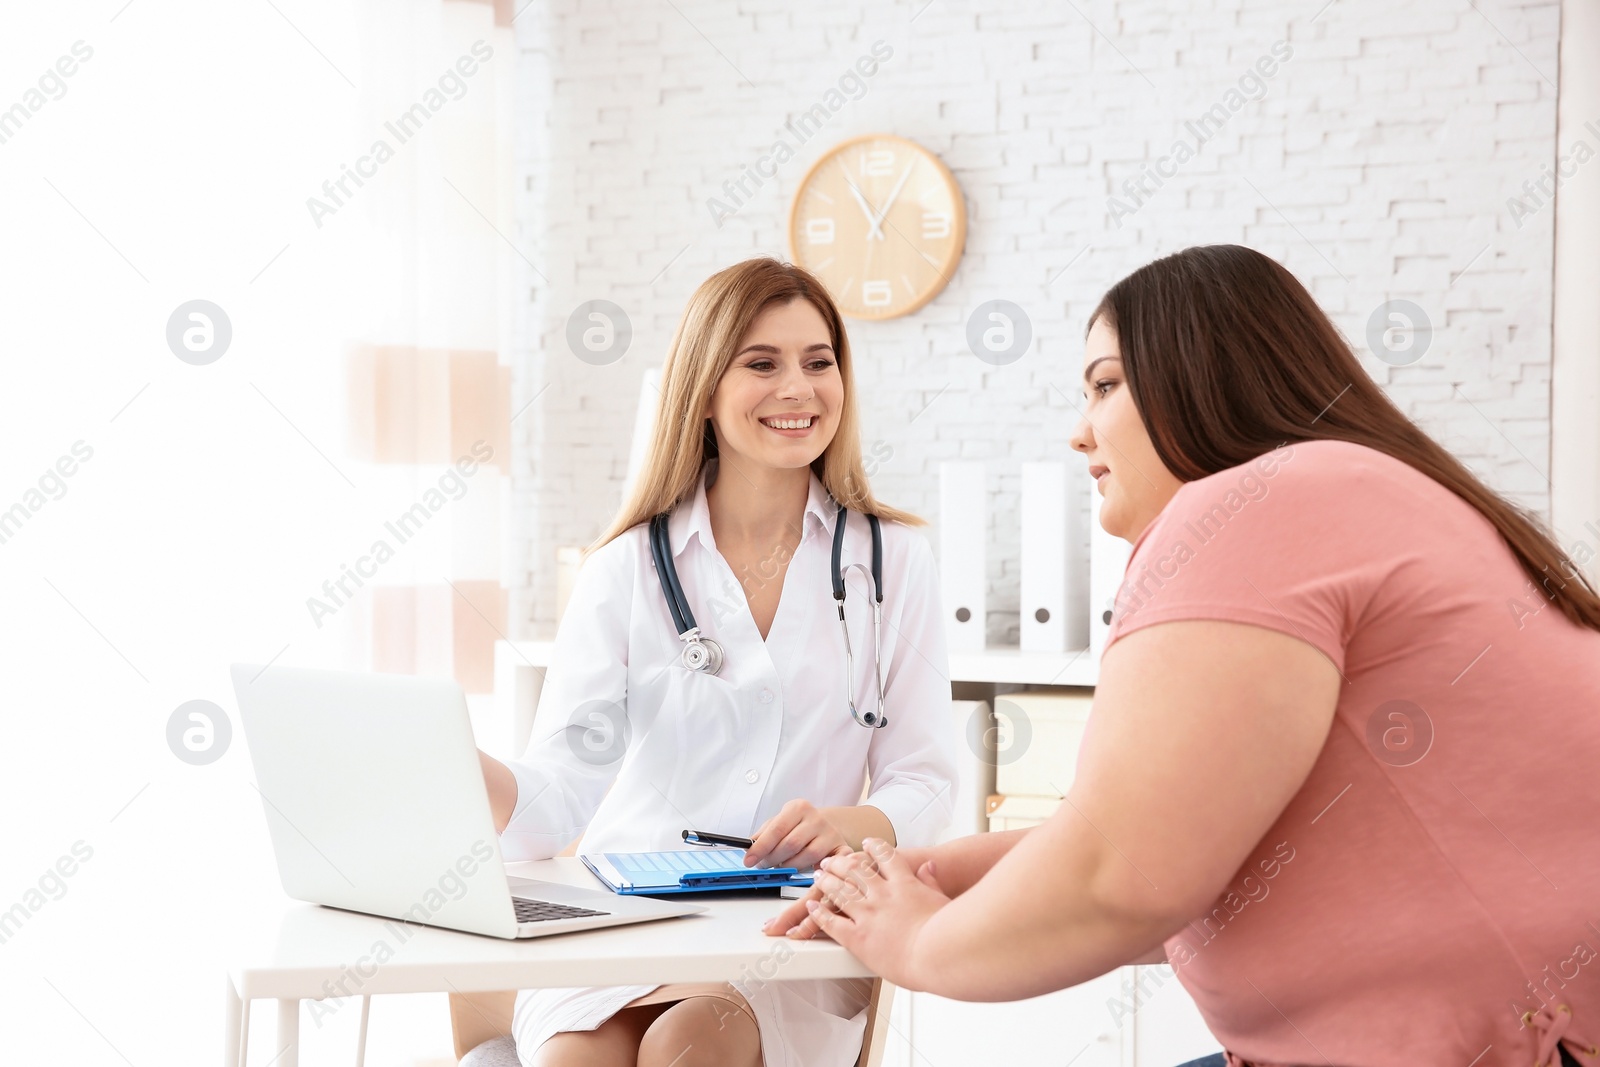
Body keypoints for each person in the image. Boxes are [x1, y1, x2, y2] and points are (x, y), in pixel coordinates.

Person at [767, 244, 1600, 1067]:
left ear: (1203, 377)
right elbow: (1151, 837)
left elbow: (1118, 879)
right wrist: (938, 871)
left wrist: (916, 940)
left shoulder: (1258, 508)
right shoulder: (1372, 492)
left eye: (1104, 385)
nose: (1079, 432)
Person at [477, 257, 960, 1067]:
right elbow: (558, 799)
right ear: (703, 389)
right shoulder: (628, 568)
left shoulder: (892, 562)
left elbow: (928, 778)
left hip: (787, 933)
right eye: (761, 363)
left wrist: (850, 825)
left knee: (694, 1043)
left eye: (819, 361)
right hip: (627, 928)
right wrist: (460, 767)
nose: (798, 389)